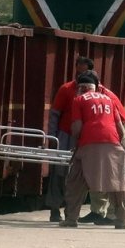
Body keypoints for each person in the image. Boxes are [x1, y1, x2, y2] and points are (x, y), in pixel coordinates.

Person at [59, 71, 125, 229]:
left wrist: (76, 143)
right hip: (113, 144)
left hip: (88, 144)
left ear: (82, 88)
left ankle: (71, 219)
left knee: (75, 181)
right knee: (117, 183)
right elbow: (121, 128)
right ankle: (121, 220)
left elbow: (77, 128)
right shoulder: (109, 100)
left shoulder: (78, 99)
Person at [78, 81, 125, 225]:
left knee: (113, 177)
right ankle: (99, 211)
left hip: (115, 133)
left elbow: (119, 123)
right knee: (99, 174)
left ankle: (113, 215)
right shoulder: (91, 95)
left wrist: (120, 144)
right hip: (109, 134)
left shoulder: (105, 96)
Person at [46, 56, 94, 221]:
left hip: (83, 138)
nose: (81, 74)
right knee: (59, 173)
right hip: (65, 136)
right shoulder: (66, 89)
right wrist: (53, 138)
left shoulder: (94, 91)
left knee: (77, 175)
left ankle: (71, 211)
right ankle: (54, 209)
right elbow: (55, 114)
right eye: (79, 70)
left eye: (84, 70)